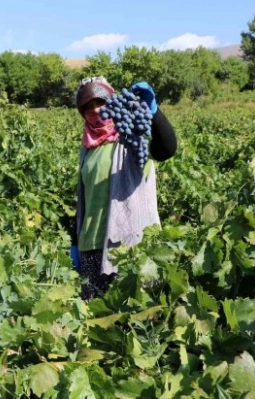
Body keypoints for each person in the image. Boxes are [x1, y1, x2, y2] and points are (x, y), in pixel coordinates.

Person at [69, 77, 177, 300]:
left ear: (112, 102)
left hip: (129, 248)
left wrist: (153, 112)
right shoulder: (87, 148)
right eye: (87, 106)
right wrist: (75, 242)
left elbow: (166, 150)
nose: (95, 110)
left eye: (100, 102)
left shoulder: (131, 136)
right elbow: (85, 199)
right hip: (91, 248)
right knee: (94, 319)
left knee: (133, 318)